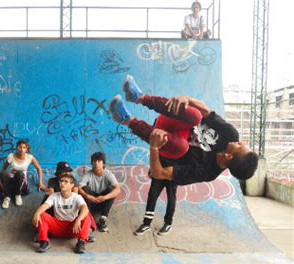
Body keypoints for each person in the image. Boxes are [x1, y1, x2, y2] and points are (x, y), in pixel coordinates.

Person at [108, 75, 259, 235]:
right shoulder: (230, 134)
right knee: (196, 115)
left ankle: (126, 119)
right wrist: (186, 99)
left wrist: (154, 147)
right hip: (173, 121)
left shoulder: (207, 172)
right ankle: (139, 97)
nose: (239, 142)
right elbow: (206, 111)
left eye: (240, 146)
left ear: (229, 156)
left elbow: (160, 173)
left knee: (181, 147)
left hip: (166, 143)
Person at [32, 173, 92, 254]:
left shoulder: (77, 197)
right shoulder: (54, 196)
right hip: (57, 228)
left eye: (65, 182)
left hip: (73, 228)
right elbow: (45, 205)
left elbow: (85, 208)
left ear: (72, 185)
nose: (62, 183)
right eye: (61, 181)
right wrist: (37, 213)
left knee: (86, 216)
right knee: (42, 214)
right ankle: (44, 241)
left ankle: (81, 243)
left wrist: (78, 219)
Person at [77, 152, 121, 232]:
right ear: (92, 163)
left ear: (103, 163)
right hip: (92, 202)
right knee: (85, 188)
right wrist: (88, 196)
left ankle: (102, 219)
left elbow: (118, 190)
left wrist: (104, 197)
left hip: (103, 202)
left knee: (112, 189)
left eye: (99, 161)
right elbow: (78, 188)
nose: (96, 163)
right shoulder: (88, 174)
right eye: (94, 161)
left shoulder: (108, 174)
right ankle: (88, 217)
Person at [0, 139, 44, 209]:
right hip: (11, 180)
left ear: (27, 149)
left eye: (24, 147)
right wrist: (2, 180)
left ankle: (18, 195)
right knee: (4, 173)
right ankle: (7, 197)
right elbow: (3, 169)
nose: (22, 149)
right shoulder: (11, 156)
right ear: (17, 148)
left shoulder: (29, 157)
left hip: (22, 182)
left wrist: (40, 182)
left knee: (19, 173)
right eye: (20, 147)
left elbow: (39, 168)